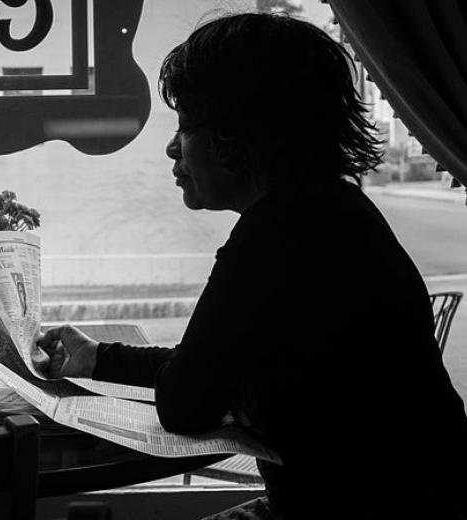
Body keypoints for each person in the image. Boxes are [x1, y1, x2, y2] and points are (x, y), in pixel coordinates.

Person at [37, 12, 467, 520]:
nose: (174, 147)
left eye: (186, 126)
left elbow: (186, 402)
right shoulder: (332, 209)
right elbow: (207, 362)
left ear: (237, 134)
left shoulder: (277, 234)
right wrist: (96, 357)